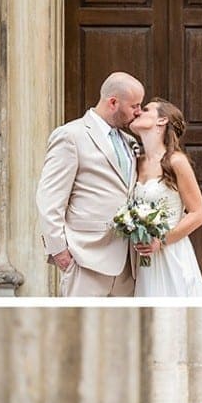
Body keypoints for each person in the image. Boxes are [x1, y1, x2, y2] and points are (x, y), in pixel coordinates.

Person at [36, 72, 144, 297]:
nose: (139, 112)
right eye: (135, 105)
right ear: (113, 102)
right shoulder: (70, 135)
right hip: (85, 258)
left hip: (127, 265)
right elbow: (49, 198)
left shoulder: (131, 142)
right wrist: (60, 251)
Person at [127, 97, 202, 297]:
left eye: (145, 109)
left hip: (172, 255)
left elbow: (198, 214)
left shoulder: (176, 161)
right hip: (144, 261)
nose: (138, 112)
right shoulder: (135, 162)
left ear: (162, 121)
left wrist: (160, 241)